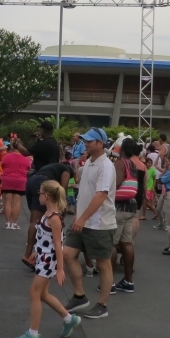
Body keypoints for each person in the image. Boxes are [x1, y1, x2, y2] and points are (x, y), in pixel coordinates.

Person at [12, 180, 82, 338]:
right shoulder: (48, 214)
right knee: (42, 294)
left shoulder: (54, 218)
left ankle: (33, 335)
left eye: (41, 193)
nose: (39, 196)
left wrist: (60, 269)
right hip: (45, 257)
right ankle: (69, 318)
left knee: (34, 293)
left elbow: (58, 244)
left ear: (47, 196)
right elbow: (47, 239)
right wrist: (37, 251)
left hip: (48, 261)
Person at [63, 128, 117, 319]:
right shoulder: (89, 164)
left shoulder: (106, 166)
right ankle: (79, 296)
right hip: (83, 220)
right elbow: (85, 192)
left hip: (100, 223)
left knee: (103, 263)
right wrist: (78, 215)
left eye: (90, 141)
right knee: (67, 254)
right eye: (85, 140)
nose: (86, 143)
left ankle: (102, 305)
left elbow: (101, 195)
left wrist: (83, 217)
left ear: (100, 143)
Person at [109, 138, 145, 290]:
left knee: (111, 244)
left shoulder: (121, 163)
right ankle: (128, 281)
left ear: (121, 148)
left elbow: (116, 182)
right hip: (131, 206)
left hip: (119, 207)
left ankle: (108, 282)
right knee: (127, 243)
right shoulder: (133, 164)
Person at [0, 141, 31, 230]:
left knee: (7, 201)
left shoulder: (7, 156)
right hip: (20, 180)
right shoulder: (26, 158)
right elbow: (29, 168)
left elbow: (3, 166)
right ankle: (14, 223)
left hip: (8, 179)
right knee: (17, 202)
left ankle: (7, 222)